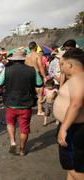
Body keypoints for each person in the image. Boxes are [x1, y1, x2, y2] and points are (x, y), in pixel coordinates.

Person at [0, 49, 43, 156]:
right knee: (24, 128)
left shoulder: (6, 70)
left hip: (10, 103)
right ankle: (22, 150)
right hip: (26, 104)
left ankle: (13, 142)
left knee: (10, 123)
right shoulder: (32, 70)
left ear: (13, 60)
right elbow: (39, 84)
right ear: (23, 59)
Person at [54, 48, 84, 180]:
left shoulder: (78, 78)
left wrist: (64, 128)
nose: (61, 68)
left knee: (74, 168)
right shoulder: (76, 78)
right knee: (69, 166)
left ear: (70, 65)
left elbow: (76, 104)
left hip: (73, 128)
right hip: (71, 126)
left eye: (62, 64)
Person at [25, 42, 46, 115]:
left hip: (28, 76)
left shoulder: (26, 56)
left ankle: (28, 110)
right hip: (36, 75)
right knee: (39, 94)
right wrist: (44, 77)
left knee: (29, 94)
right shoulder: (37, 55)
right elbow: (40, 67)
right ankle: (39, 111)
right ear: (35, 47)